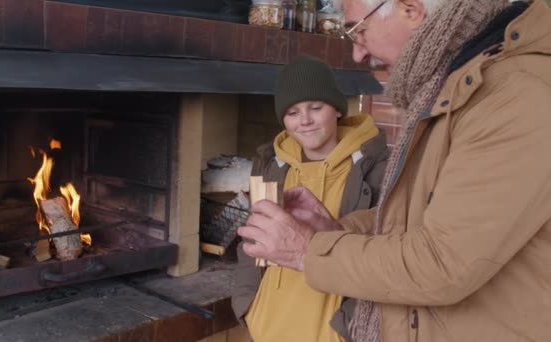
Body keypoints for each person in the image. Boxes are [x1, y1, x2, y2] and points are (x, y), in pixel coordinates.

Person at [237, 0, 551, 341]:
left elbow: (441, 264)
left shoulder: (512, 95)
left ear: (409, 9)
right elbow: (422, 217)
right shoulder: (457, 86)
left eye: (358, 30)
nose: (357, 53)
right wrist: (337, 228)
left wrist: (307, 249)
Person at [231, 55, 388, 342]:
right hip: (268, 325)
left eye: (316, 107)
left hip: (334, 328)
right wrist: (247, 305)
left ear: (337, 110)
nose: (304, 120)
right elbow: (251, 239)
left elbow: (387, 248)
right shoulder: (270, 162)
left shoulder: (378, 165)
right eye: (292, 112)